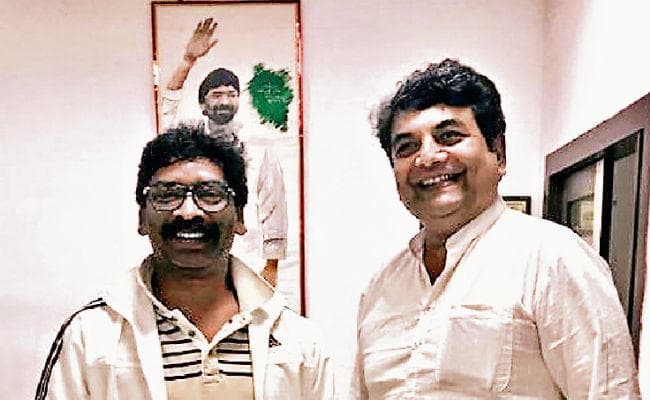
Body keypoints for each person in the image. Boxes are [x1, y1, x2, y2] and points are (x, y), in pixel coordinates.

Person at [351, 59, 639, 399]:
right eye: (406, 147)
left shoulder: (553, 260)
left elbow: (609, 393)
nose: (427, 158)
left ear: (498, 153)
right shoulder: (381, 287)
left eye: (449, 136)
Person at [36, 124, 334, 399]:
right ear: (142, 218)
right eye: (167, 195)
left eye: (210, 194)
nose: (188, 212)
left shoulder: (299, 341)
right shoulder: (91, 336)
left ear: (240, 217)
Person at [160, 18, 287, 287]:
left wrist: (272, 264)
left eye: (231, 94)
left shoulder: (259, 145)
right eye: (216, 95)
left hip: (247, 256)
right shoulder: (189, 141)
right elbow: (167, 107)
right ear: (203, 104)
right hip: (198, 249)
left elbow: (273, 202)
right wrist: (187, 61)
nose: (225, 101)